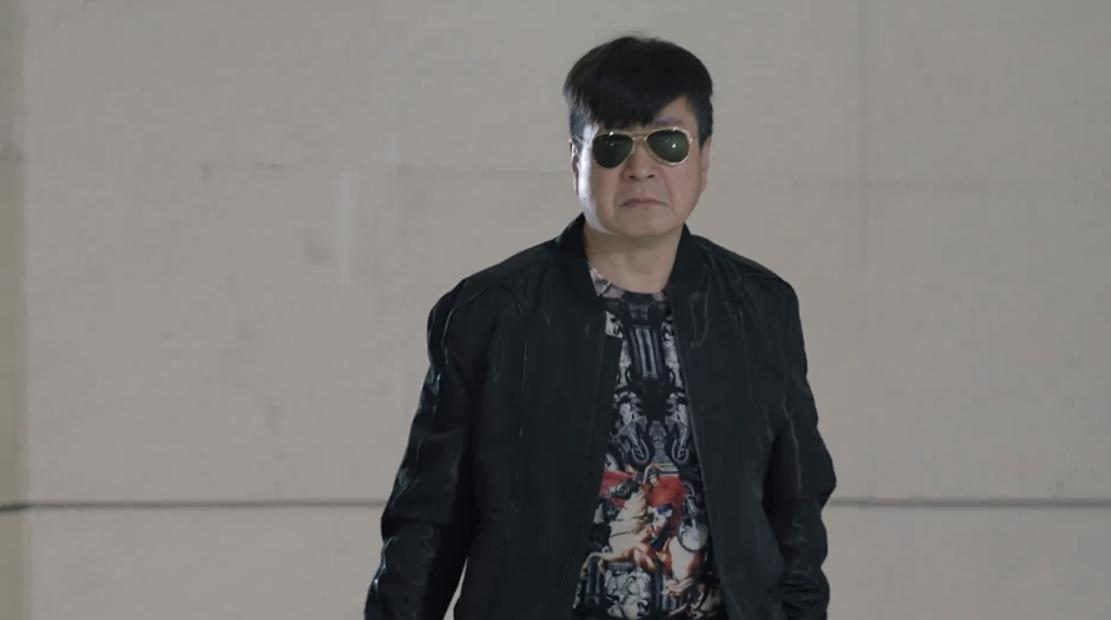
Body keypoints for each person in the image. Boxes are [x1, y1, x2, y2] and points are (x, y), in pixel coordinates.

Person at [364, 34, 836, 620]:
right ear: (576, 160)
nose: (640, 169)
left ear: (704, 159)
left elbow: (797, 509)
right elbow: (427, 524)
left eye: (668, 143)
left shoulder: (759, 308)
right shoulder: (492, 313)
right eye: (613, 145)